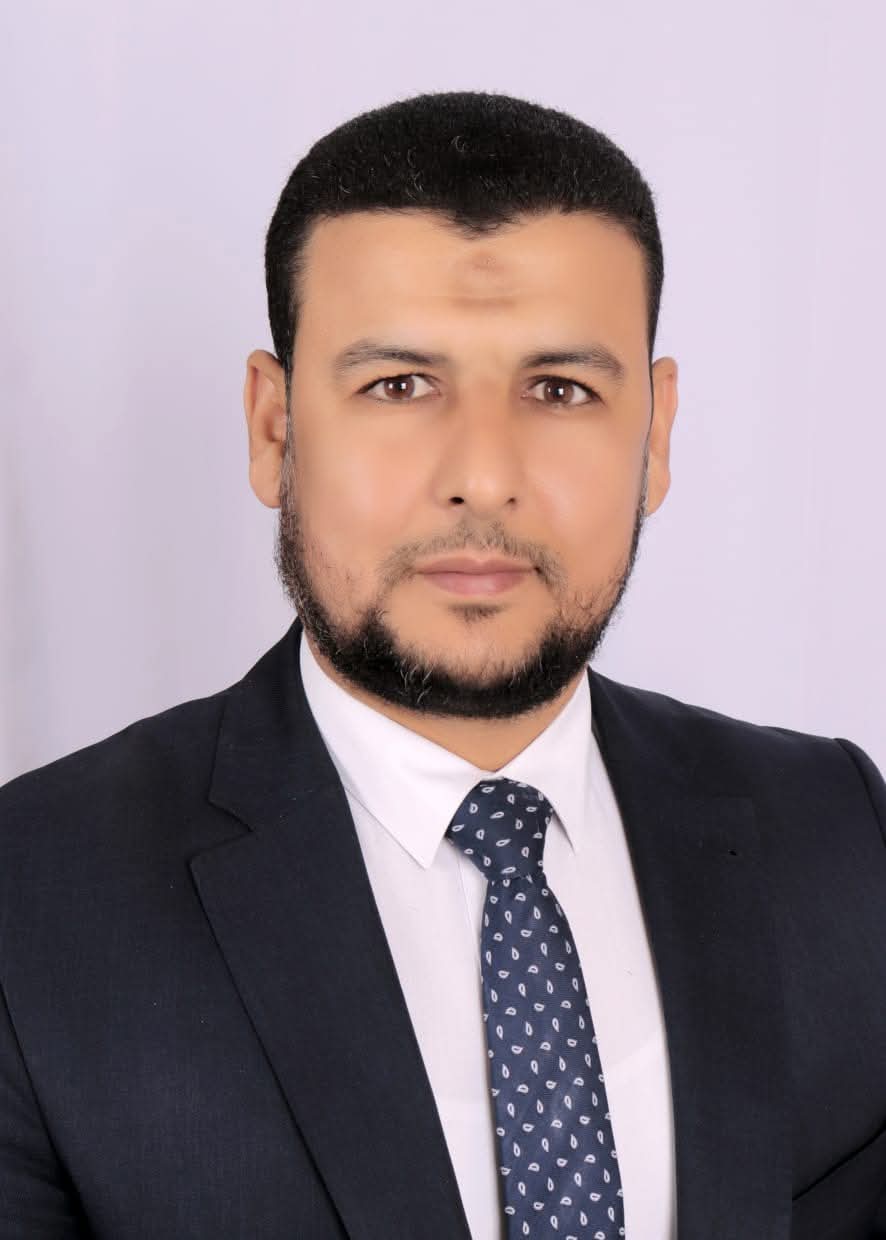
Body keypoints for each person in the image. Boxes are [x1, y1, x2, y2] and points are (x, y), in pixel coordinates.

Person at [0, 89, 884, 1240]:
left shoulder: (839, 835)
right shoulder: (33, 903)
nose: (481, 475)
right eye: (399, 385)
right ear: (273, 428)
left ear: (655, 433)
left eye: (559, 389)